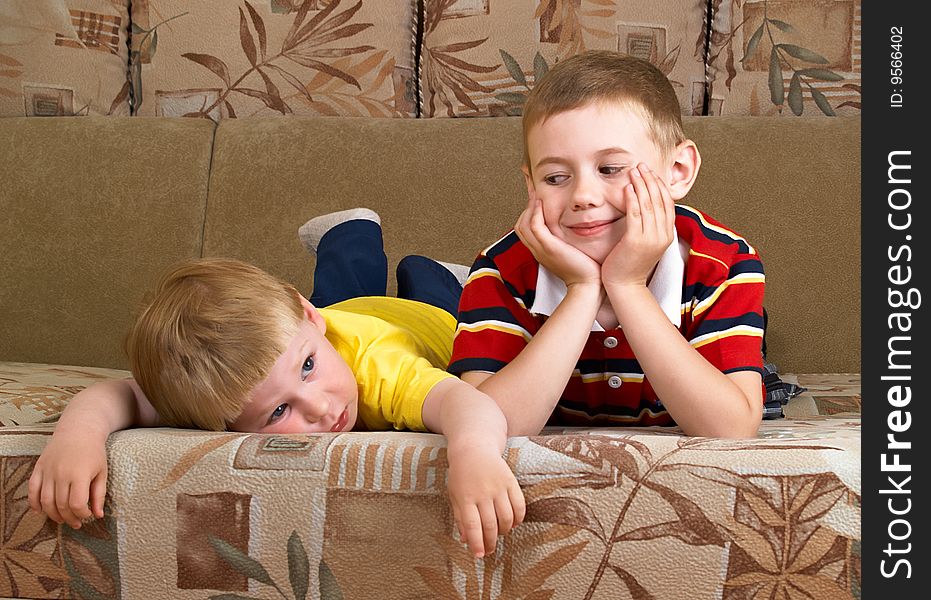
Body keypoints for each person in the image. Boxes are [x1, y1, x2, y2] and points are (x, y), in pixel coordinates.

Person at [28, 209, 523, 559]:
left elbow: (469, 403)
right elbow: (120, 394)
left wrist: (475, 454)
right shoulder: (230, 383)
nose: (321, 407)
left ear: (305, 318)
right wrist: (78, 438)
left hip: (423, 320)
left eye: (307, 369)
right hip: (332, 327)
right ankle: (357, 254)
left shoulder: (382, 368)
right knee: (344, 297)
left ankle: (379, 243)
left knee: (420, 285)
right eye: (277, 413)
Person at [449, 50, 766, 438]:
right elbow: (484, 427)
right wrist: (582, 290)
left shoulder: (725, 262)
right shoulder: (500, 269)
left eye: (610, 169)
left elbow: (731, 428)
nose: (583, 195)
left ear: (677, 171)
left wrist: (627, 286)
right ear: (530, 185)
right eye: (555, 178)